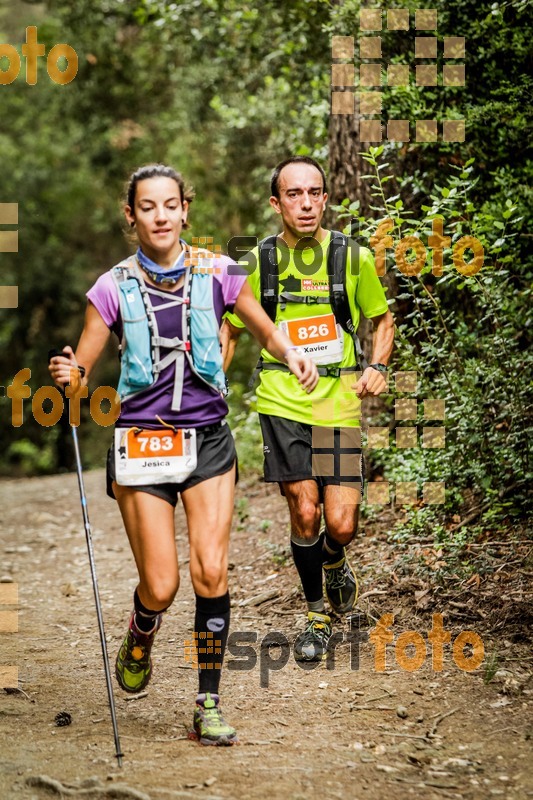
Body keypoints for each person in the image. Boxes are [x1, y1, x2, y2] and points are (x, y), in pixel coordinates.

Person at [49, 164, 318, 745]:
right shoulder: (111, 287)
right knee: (163, 585)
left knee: (211, 570)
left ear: (185, 210)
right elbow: (81, 374)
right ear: (132, 216)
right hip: (142, 445)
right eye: (148, 207)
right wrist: (68, 374)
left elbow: (265, 330)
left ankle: (208, 702)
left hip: (207, 442)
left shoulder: (220, 271)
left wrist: (291, 353)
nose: (161, 216)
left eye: (170, 205)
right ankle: (142, 628)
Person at [222, 156, 394, 662]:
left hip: (338, 403)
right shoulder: (254, 262)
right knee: (304, 507)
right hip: (281, 399)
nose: (305, 202)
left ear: (325, 198)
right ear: (276, 203)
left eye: (314, 192)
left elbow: (382, 320)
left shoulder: (351, 257)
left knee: (340, 524)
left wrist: (378, 365)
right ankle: (316, 611)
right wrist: (212, 385)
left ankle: (335, 560)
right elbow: (231, 330)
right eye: (293, 194)